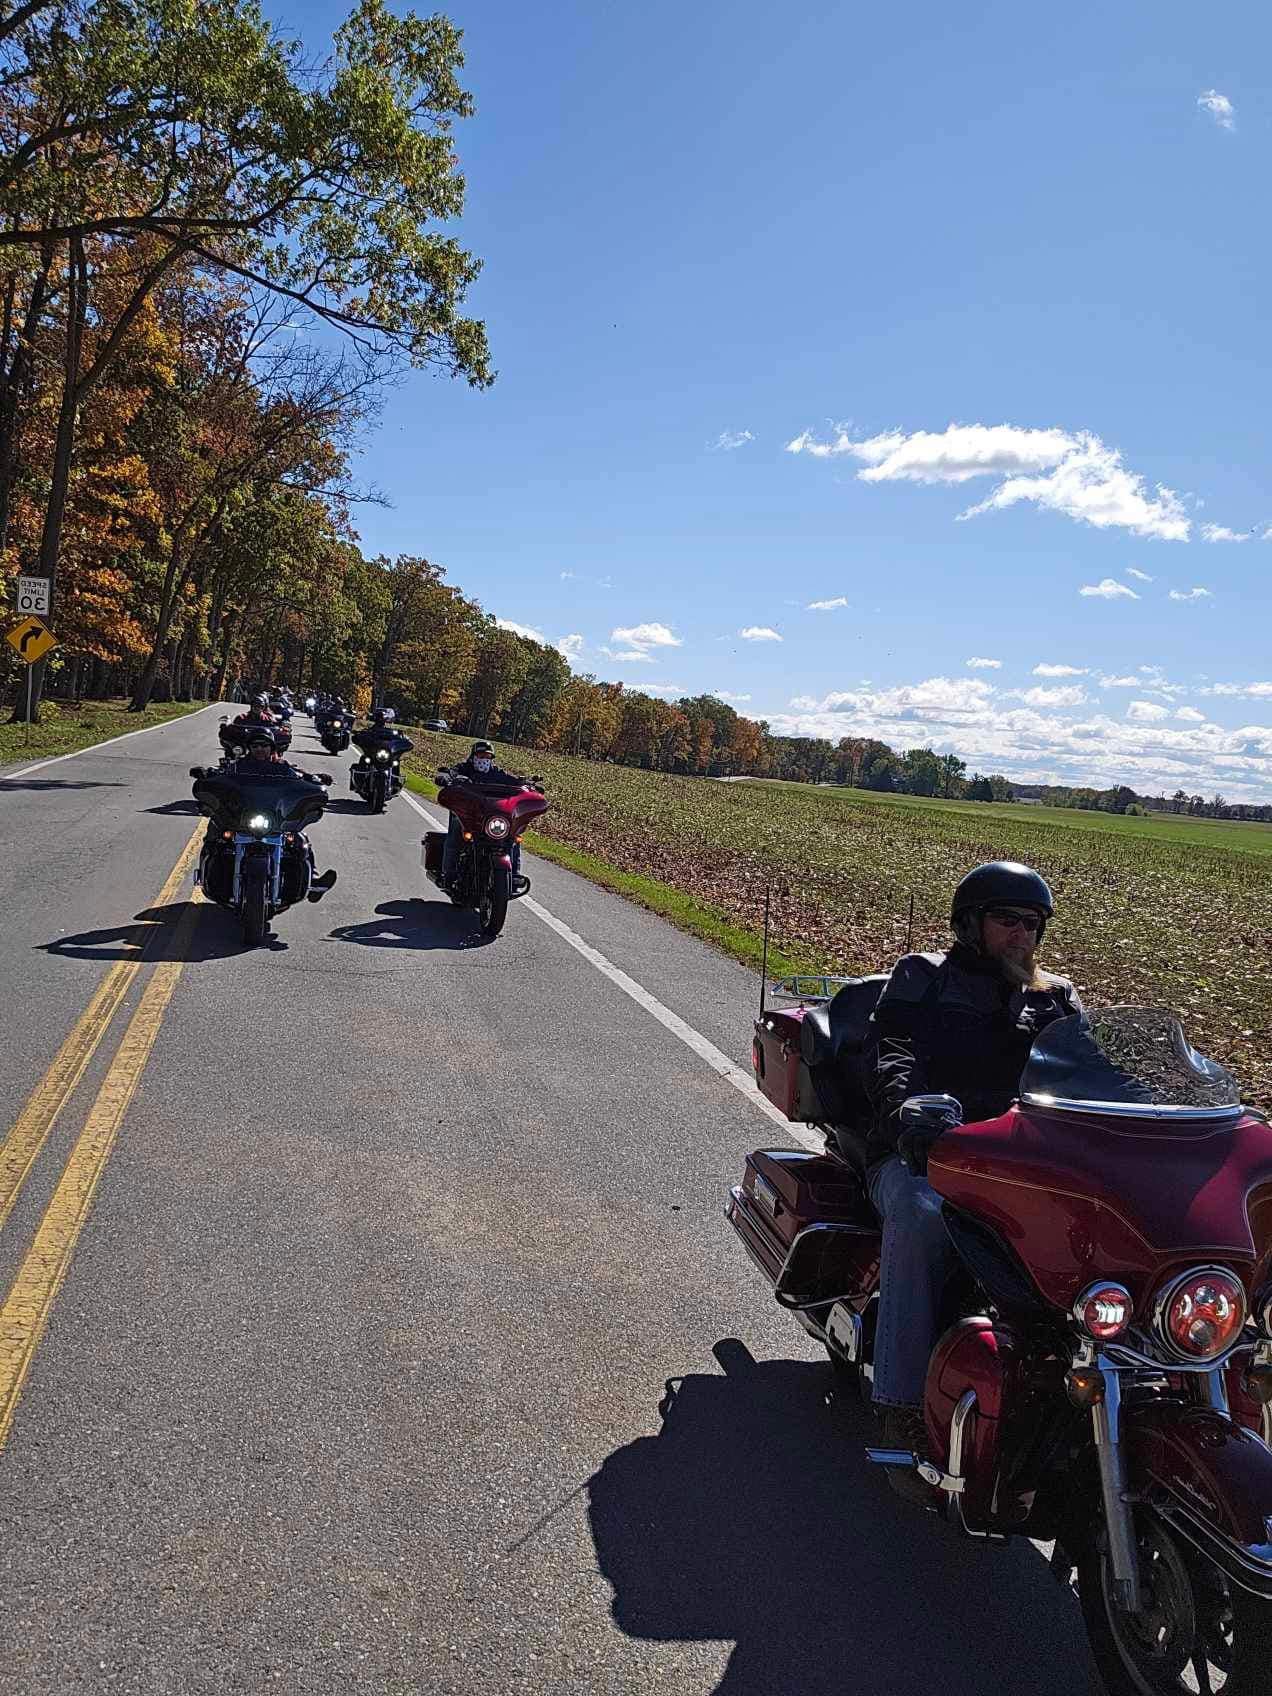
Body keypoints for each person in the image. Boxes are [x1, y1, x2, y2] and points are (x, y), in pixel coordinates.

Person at [862, 860, 1083, 1498]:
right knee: (924, 1214)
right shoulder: (923, 978)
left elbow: (1092, 1069)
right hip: (923, 1155)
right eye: (1007, 920)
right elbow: (891, 1051)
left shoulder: (1055, 998)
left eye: (1033, 923)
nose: (1022, 935)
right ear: (970, 924)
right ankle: (901, 1405)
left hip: (1017, 1166)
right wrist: (909, 1110)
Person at [194, 729, 337, 902]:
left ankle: (313, 879)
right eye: (255, 746)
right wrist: (207, 773)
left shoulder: (284, 768)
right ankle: (205, 873)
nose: (260, 749)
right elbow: (221, 774)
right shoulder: (237, 766)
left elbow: (301, 776)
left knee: (299, 839)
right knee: (215, 831)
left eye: (264, 745)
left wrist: (315, 778)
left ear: (272, 748)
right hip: (240, 819)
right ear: (249, 748)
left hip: (274, 821)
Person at [440, 739, 531, 893]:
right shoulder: (464, 769)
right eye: (481, 755)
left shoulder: (496, 773)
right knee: (455, 833)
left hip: (490, 817)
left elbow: (512, 780)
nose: (484, 760)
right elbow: (451, 773)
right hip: (466, 815)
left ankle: (514, 876)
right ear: (473, 756)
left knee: (513, 837)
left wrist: (527, 784)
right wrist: (446, 776)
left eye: (488, 757)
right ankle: (448, 875)